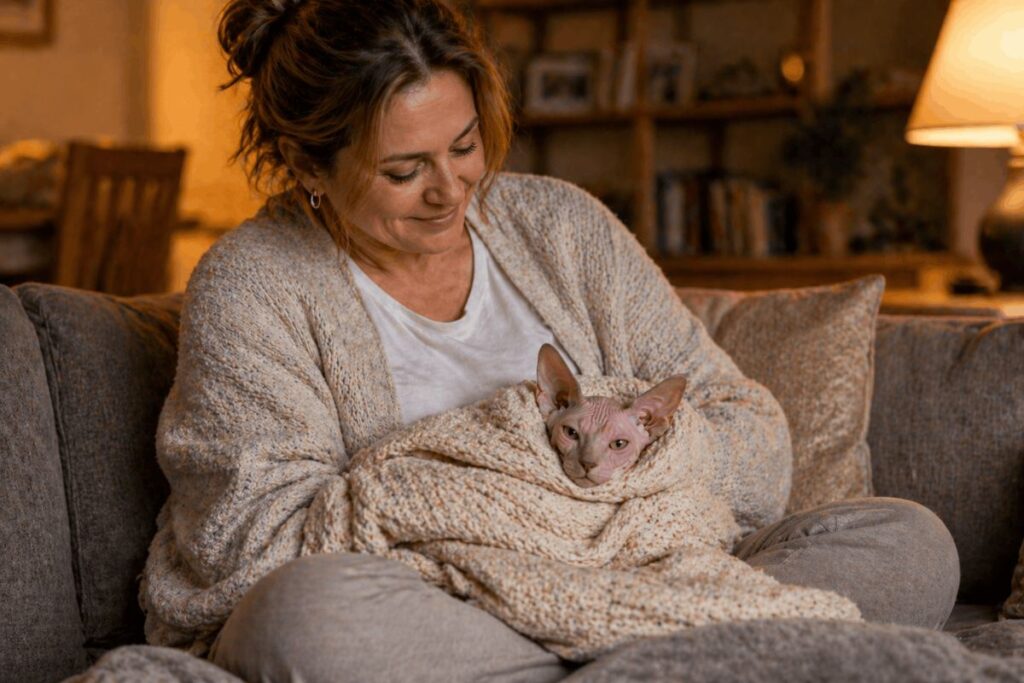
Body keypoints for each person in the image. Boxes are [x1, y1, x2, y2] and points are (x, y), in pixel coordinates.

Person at [139, 1, 960, 681]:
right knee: (301, 624)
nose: (450, 189)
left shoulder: (560, 226)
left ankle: (600, 654)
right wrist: (532, 483)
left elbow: (754, 439)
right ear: (306, 164)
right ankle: (689, 653)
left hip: (645, 572)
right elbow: (259, 543)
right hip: (444, 606)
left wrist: (627, 449)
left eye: (465, 146)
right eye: (403, 170)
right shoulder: (253, 283)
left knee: (907, 543)